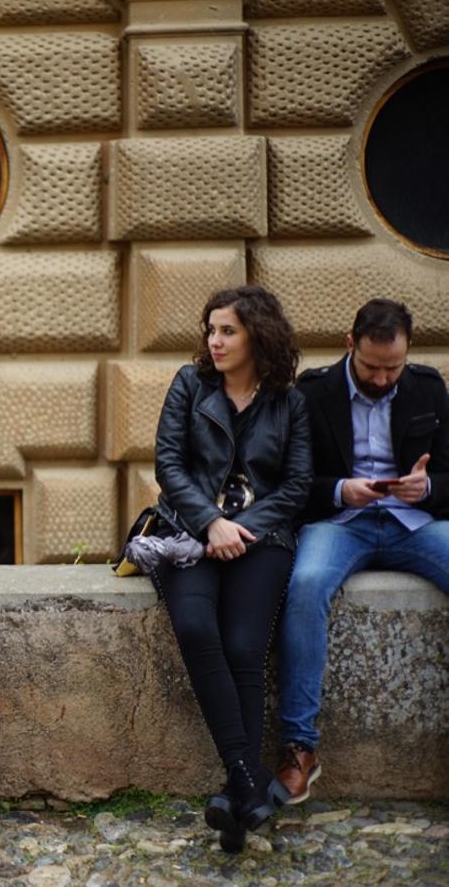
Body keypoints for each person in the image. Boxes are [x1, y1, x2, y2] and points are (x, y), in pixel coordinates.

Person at [150, 286, 311, 853]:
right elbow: (168, 464)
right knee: (196, 627)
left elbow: (296, 485)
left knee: (245, 646)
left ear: (257, 337)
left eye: (228, 331)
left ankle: (231, 798)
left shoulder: (288, 401)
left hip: (262, 539)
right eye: (211, 330)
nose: (214, 341)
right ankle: (248, 781)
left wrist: (242, 529)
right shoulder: (190, 385)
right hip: (184, 533)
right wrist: (211, 523)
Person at [277, 299, 449, 803]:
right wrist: (340, 491)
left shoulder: (429, 387)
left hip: (412, 522)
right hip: (341, 523)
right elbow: (291, 483)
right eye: (372, 366)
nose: (381, 378)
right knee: (306, 586)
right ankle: (299, 748)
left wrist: (429, 489)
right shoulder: (312, 393)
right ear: (351, 345)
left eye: (392, 367)